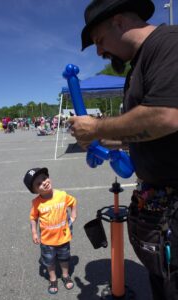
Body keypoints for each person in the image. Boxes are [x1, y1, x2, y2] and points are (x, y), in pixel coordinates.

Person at [68, 0, 178, 299]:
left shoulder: (168, 44)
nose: (100, 51)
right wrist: (102, 139)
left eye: (99, 41)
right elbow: (145, 133)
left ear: (119, 21)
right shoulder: (138, 65)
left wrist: (98, 127)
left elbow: (167, 116)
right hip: (158, 203)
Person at [23, 167, 77, 295]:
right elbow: (33, 218)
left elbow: (73, 202)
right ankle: (53, 278)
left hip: (63, 237)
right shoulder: (36, 203)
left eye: (44, 178)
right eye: (39, 183)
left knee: (64, 258)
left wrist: (73, 216)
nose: (44, 182)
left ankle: (65, 275)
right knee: (49, 261)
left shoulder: (62, 195)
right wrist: (34, 232)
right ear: (34, 190)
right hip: (47, 240)